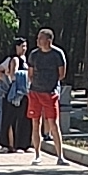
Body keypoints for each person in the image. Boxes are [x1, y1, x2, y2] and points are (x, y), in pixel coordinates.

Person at [27, 28, 68, 164]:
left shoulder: (57, 54)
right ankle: (37, 155)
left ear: (49, 40)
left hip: (50, 93)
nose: (38, 40)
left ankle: (60, 156)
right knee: (35, 123)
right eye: (38, 38)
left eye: (41, 38)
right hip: (35, 92)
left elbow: (61, 74)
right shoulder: (34, 54)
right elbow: (30, 73)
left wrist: (50, 84)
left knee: (53, 123)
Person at [0, 38, 30, 154]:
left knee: (23, 119)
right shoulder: (14, 59)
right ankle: (9, 144)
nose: (24, 48)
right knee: (11, 119)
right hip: (14, 93)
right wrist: (7, 81)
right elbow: (8, 73)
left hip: (24, 92)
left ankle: (22, 144)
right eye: (22, 46)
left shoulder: (26, 59)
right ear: (16, 47)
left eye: (25, 46)